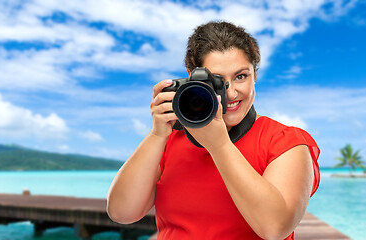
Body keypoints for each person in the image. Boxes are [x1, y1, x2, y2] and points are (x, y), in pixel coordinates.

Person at [107, 21, 320, 240]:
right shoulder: (170, 139)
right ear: (193, 77)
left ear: (254, 75)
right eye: (218, 81)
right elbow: (121, 213)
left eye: (241, 76)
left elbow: (275, 228)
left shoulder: (285, 143)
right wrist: (157, 134)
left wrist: (219, 145)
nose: (232, 93)